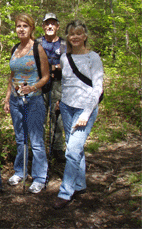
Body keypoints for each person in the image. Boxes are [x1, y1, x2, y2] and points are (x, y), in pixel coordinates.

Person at [53, 20, 103, 209]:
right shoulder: (65, 58)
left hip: (85, 109)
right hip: (66, 106)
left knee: (72, 150)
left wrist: (86, 113)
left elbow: (97, 88)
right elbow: (67, 83)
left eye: (79, 33)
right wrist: (61, 100)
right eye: (71, 34)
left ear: (85, 36)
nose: (75, 37)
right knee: (74, 148)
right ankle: (80, 184)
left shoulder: (93, 58)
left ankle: (65, 192)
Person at [4, 13, 50, 193]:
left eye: (25, 26)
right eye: (18, 26)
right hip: (16, 101)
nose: (21, 29)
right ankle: (20, 171)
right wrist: (7, 98)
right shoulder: (15, 49)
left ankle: (40, 177)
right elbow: (12, 75)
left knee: (37, 140)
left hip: (34, 100)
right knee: (21, 138)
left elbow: (46, 76)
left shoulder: (37, 48)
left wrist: (33, 87)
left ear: (31, 28)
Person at [36, 13, 66, 162]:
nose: (50, 26)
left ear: (57, 26)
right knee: (40, 117)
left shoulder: (65, 45)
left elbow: (69, 66)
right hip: (40, 85)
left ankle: (57, 149)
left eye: (53, 24)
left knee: (57, 116)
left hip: (58, 85)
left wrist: (55, 68)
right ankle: (39, 149)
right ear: (43, 26)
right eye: (47, 24)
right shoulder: (37, 43)